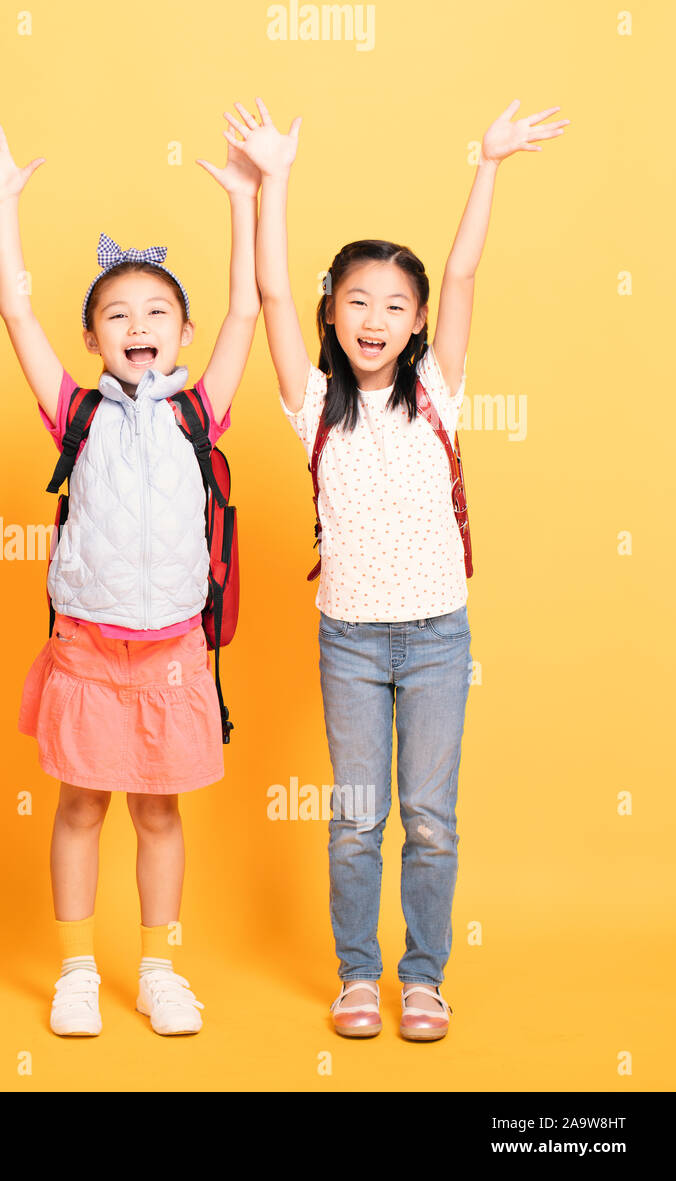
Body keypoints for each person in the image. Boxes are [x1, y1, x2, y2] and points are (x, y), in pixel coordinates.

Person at [243, 97, 568, 1039]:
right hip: (349, 639)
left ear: (419, 320)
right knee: (356, 821)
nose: (374, 319)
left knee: (429, 815)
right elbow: (267, 292)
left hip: (435, 636)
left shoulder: (437, 386)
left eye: (394, 305)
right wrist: (277, 178)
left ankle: (422, 976)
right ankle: (356, 975)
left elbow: (464, 265)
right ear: (332, 314)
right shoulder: (311, 404)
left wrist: (491, 161)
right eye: (356, 302)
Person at [0, 116, 261, 1036]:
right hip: (87, 648)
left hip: (172, 649)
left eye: (157, 313)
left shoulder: (200, 412)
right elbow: (14, 311)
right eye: (117, 315)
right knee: (82, 803)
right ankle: (78, 967)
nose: (138, 325)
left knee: (160, 812)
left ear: (184, 333)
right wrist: (5, 204)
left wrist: (246, 203)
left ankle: (160, 967)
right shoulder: (75, 414)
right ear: (92, 338)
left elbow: (250, 310)